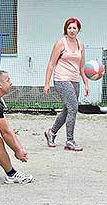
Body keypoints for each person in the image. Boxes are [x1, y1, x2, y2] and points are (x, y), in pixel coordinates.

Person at [43, 17, 89, 151]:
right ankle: (70, 141)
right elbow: (51, 64)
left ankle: (51, 133)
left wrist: (86, 83)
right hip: (61, 79)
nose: (72, 30)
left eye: (74, 28)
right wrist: (47, 83)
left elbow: (82, 67)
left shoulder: (81, 45)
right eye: (69, 28)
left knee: (67, 109)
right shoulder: (61, 43)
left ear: (78, 29)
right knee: (74, 108)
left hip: (75, 79)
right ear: (66, 29)